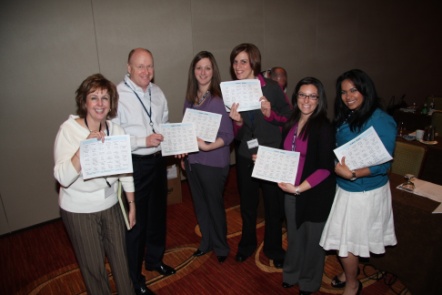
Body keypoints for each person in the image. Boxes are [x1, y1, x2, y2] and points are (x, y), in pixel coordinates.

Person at [53, 73, 136, 295]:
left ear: (111, 104)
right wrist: (83, 148)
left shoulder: (115, 130)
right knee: (94, 268)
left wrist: (131, 203)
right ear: (84, 102)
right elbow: (62, 177)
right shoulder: (69, 131)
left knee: (121, 261)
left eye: (105, 98)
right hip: (80, 210)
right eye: (94, 97)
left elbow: (125, 171)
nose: (100, 104)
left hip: (110, 206)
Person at [319, 69, 397, 295]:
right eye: (343, 92)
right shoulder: (346, 115)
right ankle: (350, 274)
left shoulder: (382, 120)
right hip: (344, 187)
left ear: (365, 90)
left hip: (364, 192)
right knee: (346, 240)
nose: (348, 96)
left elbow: (384, 165)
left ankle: (352, 283)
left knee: (346, 245)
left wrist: (353, 174)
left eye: (353, 90)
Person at [261, 77, 335, 294]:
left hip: (314, 192)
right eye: (303, 95)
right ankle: (291, 273)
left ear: (319, 99)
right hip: (291, 191)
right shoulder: (292, 121)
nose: (307, 100)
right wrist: (265, 160)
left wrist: (300, 188)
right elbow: (287, 154)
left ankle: (309, 282)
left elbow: (325, 168)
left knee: (313, 242)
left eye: (313, 96)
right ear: (296, 97)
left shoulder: (323, 127)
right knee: (294, 236)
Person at [112, 48, 175, 295]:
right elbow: (113, 136)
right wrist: (142, 140)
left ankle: (155, 260)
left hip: (158, 162)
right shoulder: (117, 94)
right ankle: (133, 280)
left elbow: (166, 124)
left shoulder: (157, 92)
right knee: (135, 225)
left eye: (149, 66)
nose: (146, 71)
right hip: (133, 164)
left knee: (158, 216)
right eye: (140, 66)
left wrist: (175, 143)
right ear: (128, 67)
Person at [229, 43, 291, 267]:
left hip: (271, 153)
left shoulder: (272, 88)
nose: (238, 66)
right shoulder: (233, 90)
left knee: (274, 205)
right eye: (235, 62)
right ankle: (247, 244)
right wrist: (237, 122)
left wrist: (270, 114)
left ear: (254, 63)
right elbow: (237, 132)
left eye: (243, 61)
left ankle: (274, 248)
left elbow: (289, 118)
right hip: (246, 153)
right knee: (247, 204)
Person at [180, 51, 234, 263]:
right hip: (193, 161)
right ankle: (206, 242)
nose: (203, 72)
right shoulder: (190, 99)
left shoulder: (219, 100)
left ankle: (221, 247)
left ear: (214, 72)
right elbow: (185, 129)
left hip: (213, 163)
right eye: (199, 68)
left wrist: (206, 146)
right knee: (200, 205)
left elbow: (228, 135)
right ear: (193, 72)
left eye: (207, 68)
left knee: (214, 206)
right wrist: (184, 156)